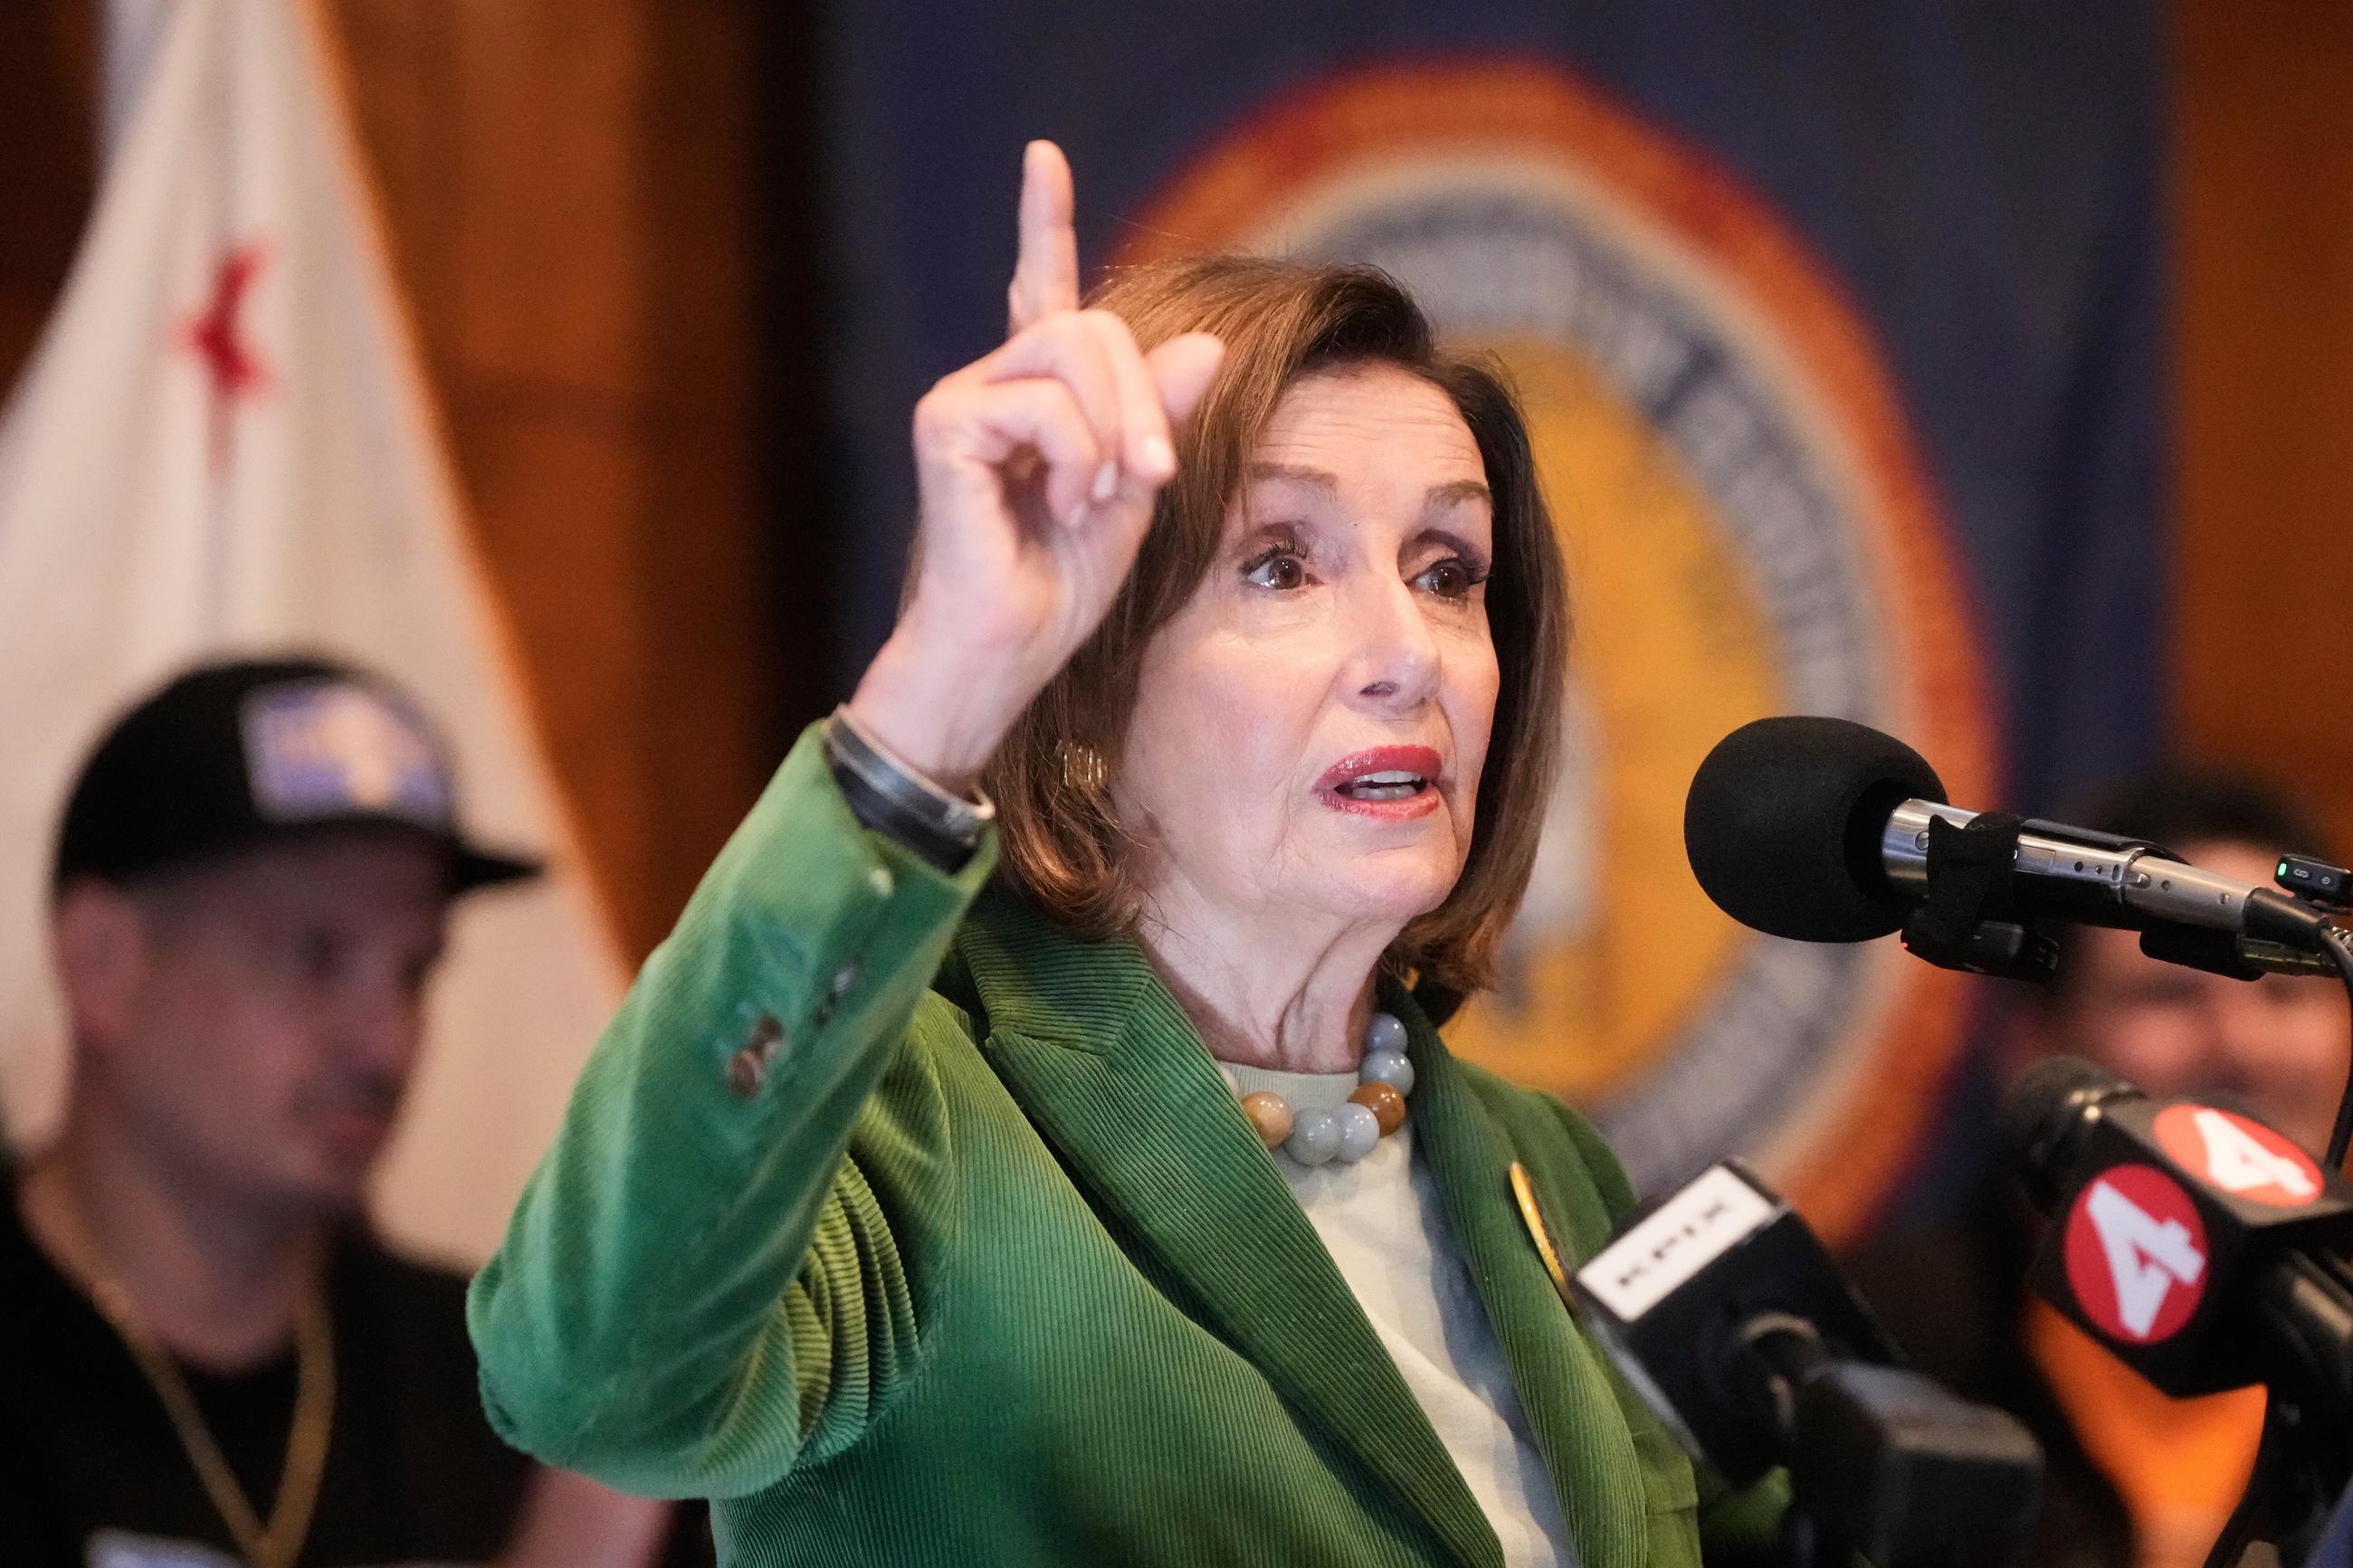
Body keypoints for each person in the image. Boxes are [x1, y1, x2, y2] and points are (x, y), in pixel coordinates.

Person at [468, 142, 1786, 1568]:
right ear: (1087, 677)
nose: (1408, 654)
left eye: (1447, 571)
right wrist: (946, 684)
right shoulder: (917, 1122)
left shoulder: (1553, 1177)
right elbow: (592, 1384)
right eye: (1280, 563)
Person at [5, 656, 700, 1568]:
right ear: (104, 961)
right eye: (314, 953)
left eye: (414, 971)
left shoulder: (512, 1396)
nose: (388, 1045)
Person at [1844, 769, 2348, 1568]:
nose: (2242, 1047)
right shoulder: (1883, 1339)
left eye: (2286, 993)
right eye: (2171, 995)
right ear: (2035, 1045)